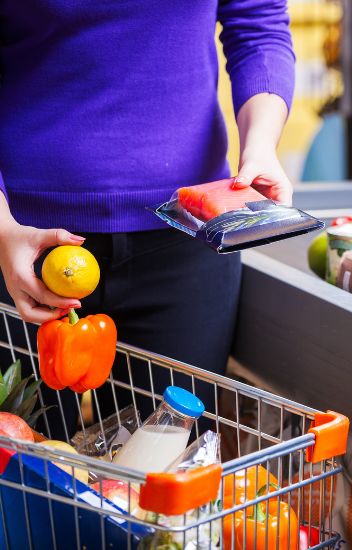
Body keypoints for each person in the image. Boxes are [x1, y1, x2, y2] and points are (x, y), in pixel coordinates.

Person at [0, 1, 295, 437]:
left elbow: (257, 23)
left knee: (165, 476)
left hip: (187, 237)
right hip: (20, 239)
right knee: (24, 484)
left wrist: (261, 145)